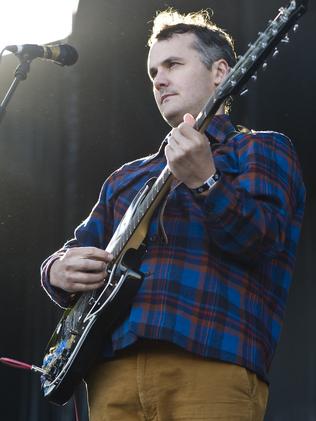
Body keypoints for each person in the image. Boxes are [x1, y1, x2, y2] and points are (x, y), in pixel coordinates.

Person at [41, 9, 305, 421]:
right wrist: (55, 271)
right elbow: (76, 252)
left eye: (173, 65)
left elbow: (262, 241)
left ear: (221, 71)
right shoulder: (126, 177)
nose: (159, 80)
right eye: (152, 73)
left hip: (210, 363)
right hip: (112, 376)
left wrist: (206, 180)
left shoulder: (261, 149)